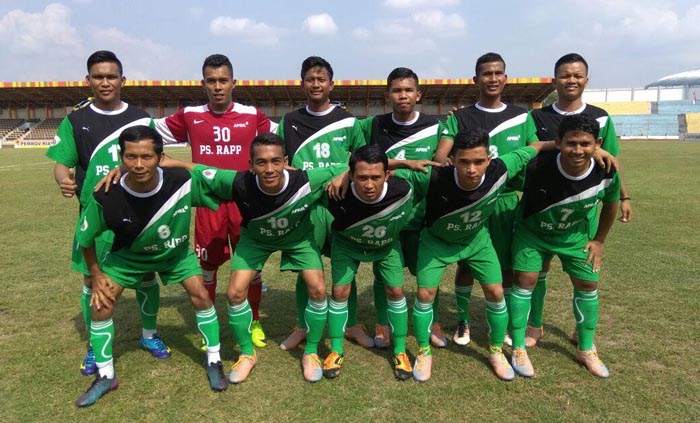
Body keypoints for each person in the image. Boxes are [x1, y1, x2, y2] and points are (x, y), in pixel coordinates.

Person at [74, 126, 227, 407]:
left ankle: (214, 360)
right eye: (131, 157)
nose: (139, 164)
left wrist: (183, 164)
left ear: (160, 157)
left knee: (201, 295)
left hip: (175, 255)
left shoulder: (181, 180)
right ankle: (106, 376)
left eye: (147, 156)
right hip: (128, 258)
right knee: (101, 306)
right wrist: (95, 274)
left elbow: (221, 181)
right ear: (121, 158)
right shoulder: (106, 194)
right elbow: (85, 239)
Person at [46, 50, 167, 378]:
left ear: (122, 80)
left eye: (111, 76)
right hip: (96, 215)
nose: (105, 82)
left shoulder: (142, 119)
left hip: (139, 215)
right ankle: (94, 346)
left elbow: (159, 162)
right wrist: (63, 180)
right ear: (88, 80)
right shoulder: (76, 121)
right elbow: (62, 164)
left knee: (146, 276)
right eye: (98, 77)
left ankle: (149, 334)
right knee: (91, 279)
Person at [409, 128, 557, 382]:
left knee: (496, 292)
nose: (472, 169)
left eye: (479, 161)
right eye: (464, 162)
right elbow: (385, 175)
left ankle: (496, 351)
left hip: (477, 241)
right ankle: (423, 352)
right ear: (452, 160)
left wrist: (593, 150)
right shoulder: (433, 177)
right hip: (436, 242)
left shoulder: (501, 169)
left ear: (489, 159)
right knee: (425, 294)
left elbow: (535, 147)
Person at [154, 54, 275, 348]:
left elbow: (282, 141)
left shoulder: (252, 115)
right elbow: (147, 131)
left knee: (252, 269)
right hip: (208, 204)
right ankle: (211, 326)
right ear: (203, 84)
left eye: (223, 80)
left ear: (234, 83)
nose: (218, 87)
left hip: (246, 203)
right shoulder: (189, 115)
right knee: (207, 268)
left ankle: (254, 321)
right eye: (211, 81)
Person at [526, 53, 633, 348]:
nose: (571, 80)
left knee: (585, 276)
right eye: (565, 75)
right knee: (538, 271)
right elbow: (532, 148)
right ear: (554, 81)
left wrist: (624, 195)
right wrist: (582, 148)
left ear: (586, 80)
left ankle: (581, 333)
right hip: (543, 207)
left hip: (582, 213)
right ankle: (534, 326)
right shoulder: (537, 117)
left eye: (577, 75)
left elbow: (611, 163)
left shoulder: (601, 117)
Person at [435, 53, 538, 347]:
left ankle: (503, 325)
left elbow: (534, 148)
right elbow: (441, 155)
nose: (492, 78)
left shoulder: (522, 116)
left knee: (505, 267)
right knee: (467, 263)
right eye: (486, 74)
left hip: (505, 202)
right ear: (475, 79)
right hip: (471, 203)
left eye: (497, 73)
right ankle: (463, 321)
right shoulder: (461, 117)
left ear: (505, 78)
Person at [509, 113, 619, 379]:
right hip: (532, 233)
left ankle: (585, 349)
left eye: (585, 144)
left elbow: (611, 203)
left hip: (575, 236)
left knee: (588, 284)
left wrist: (599, 241)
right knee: (526, 280)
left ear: (598, 144)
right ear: (558, 142)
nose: (578, 150)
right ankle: (519, 345)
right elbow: (502, 175)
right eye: (571, 143)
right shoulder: (536, 167)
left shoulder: (606, 170)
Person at [272, 56, 369, 351]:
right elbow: (278, 159)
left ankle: (350, 324)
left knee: (345, 270)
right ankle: (303, 326)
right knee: (308, 268)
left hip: (342, 205)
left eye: (321, 79)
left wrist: (344, 173)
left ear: (331, 84)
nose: (316, 84)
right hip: (307, 207)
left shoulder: (348, 121)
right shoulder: (289, 121)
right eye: (310, 79)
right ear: (302, 84)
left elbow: (363, 160)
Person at [359, 67, 446, 349]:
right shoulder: (373, 125)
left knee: (427, 275)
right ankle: (383, 324)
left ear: (418, 95)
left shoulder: (435, 126)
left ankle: (432, 322)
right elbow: (360, 158)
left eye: (408, 90)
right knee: (384, 275)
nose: (403, 95)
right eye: (397, 90)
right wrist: (403, 166)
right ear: (388, 95)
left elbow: (442, 167)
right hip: (387, 217)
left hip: (423, 217)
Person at [323, 145, 417, 380]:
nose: (368, 184)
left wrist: (408, 163)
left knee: (396, 291)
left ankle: (399, 350)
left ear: (387, 175)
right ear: (351, 175)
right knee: (339, 291)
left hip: (386, 246)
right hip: (346, 245)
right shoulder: (336, 190)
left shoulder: (403, 188)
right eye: (362, 177)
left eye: (375, 177)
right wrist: (341, 175)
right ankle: (336, 350)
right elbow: (301, 177)